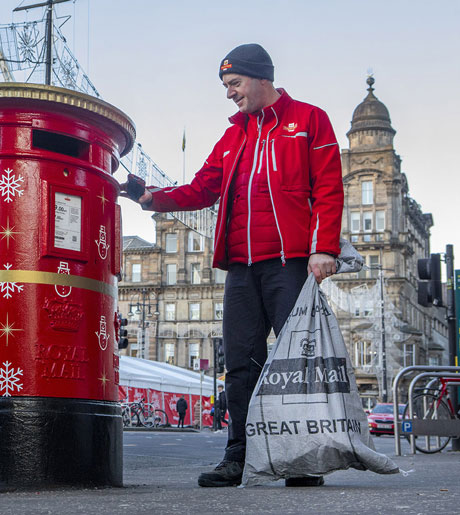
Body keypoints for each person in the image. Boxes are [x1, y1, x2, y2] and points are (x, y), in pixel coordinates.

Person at [122, 43, 342, 487]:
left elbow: (329, 187)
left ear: (263, 78)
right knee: (241, 363)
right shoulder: (233, 136)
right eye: (226, 86)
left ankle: (302, 458)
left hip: (290, 264)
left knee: (295, 362)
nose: (229, 94)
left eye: (234, 84)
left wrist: (324, 248)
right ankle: (238, 456)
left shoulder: (309, 120)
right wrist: (151, 197)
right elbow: (203, 188)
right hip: (241, 268)